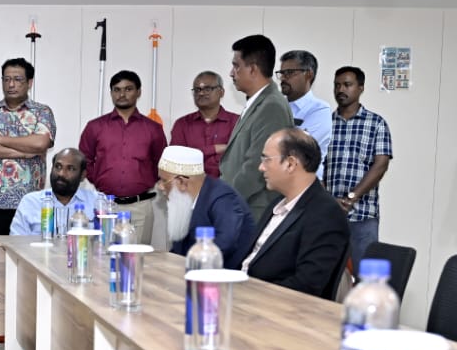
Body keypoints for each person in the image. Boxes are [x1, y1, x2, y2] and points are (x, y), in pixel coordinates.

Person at [241, 128, 349, 299]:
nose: (261, 167)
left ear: (290, 164)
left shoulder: (325, 214)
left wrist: (251, 294)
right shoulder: (277, 204)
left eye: (266, 160)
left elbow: (307, 285)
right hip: (242, 295)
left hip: (271, 305)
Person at [0, 58, 57, 234]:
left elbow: (41, 143)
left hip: (28, 201)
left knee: (27, 249)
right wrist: (23, 153)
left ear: (29, 83)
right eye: (6, 79)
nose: (11, 84)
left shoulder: (42, 112)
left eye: (17, 79)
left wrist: (1, 140)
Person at [79, 70, 167, 244]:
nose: (122, 94)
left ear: (138, 92)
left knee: (136, 257)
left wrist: (143, 180)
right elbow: (84, 160)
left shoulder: (153, 129)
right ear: (111, 93)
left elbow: (162, 164)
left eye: (128, 89)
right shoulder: (95, 127)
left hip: (140, 206)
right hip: (105, 204)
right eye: (117, 89)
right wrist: (99, 180)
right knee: (103, 255)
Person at [219, 34, 295, 223]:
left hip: (255, 210)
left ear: (252, 69)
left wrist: (223, 202)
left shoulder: (271, 106)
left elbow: (256, 166)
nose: (231, 73)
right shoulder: (259, 103)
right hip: (244, 206)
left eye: (236, 66)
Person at [325, 66, 392, 269]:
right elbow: (314, 165)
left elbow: (380, 165)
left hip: (363, 216)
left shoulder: (376, 123)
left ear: (361, 88)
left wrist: (351, 197)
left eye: (347, 84)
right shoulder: (325, 123)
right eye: (337, 85)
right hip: (328, 214)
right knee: (326, 274)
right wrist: (329, 200)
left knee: (365, 276)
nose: (340, 90)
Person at [157, 146, 256, 270]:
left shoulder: (223, 198)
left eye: (163, 180)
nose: (160, 187)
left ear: (182, 182)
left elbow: (223, 245)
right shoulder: (184, 201)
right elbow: (179, 248)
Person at [9, 148, 97, 236]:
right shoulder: (30, 202)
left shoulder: (96, 201)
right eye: (58, 167)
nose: (61, 174)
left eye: (70, 169)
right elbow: (16, 240)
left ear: (82, 175)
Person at [169, 71, 239, 178]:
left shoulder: (237, 122)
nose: (201, 93)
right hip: (190, 186)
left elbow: (240, 154)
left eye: (207, 89)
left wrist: (194, 154)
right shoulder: (182, 124)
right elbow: (176, 160)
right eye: (197, 90)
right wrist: (214, 149)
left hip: (227, 185)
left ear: (221, 92)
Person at [277, 50, 333, 179]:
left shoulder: (319, 110)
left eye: (289, 72)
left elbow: (297, 150)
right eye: (282, 73)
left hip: (305, 185)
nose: (283, 78)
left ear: (308, 74)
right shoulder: (276, 106)